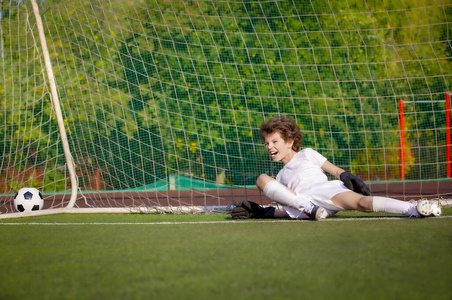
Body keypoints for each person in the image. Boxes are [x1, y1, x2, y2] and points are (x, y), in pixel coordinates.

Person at [231, 115, 442, 220]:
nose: (269, 147)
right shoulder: (279, 177)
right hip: (308, 205)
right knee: (262, 179)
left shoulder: (307, 154)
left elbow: (336, 171)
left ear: (289, 141)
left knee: (363, 203)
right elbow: (290, 209)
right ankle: (313, 210)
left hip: (325, 191)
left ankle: (414, 209)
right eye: (266, 143)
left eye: (274, 142)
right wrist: (262, 212)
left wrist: (349, 177)